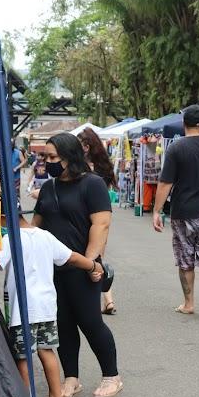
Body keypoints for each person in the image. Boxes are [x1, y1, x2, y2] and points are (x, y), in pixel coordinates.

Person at [0, 199, 104, 397]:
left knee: (22, 357)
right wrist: (92, 265)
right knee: (47, 350)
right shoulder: (44, 235)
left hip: (23, 310)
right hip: (46, 307)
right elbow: (70, 257)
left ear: (2, 219)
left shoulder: (11, 239)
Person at [33, 133, 122, 397]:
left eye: (52, 157)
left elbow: (101, 224)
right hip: (53, 269)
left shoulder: (92, 184)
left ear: (69, 156)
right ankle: (71, 378)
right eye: (45, 157)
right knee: (63, 323)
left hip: (82, 266)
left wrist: (91, 262)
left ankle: (112, 377)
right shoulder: (49, 188)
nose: (47, 162)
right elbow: (36, 225)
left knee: (90, 322)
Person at [152, 105, 199, 322]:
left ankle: (189, 303)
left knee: (185, 258)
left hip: (183, 211)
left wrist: (157, 211)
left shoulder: (176, 149)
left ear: (184, 124)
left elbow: (166, 182)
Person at [77, 128, 120, 315]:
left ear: (86, 147)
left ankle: (99, 300)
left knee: (90, 261)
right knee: (98, 259)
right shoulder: (104, 166)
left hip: (84, 220)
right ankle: (108, 300)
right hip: (103, 219)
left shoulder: (82, 169)